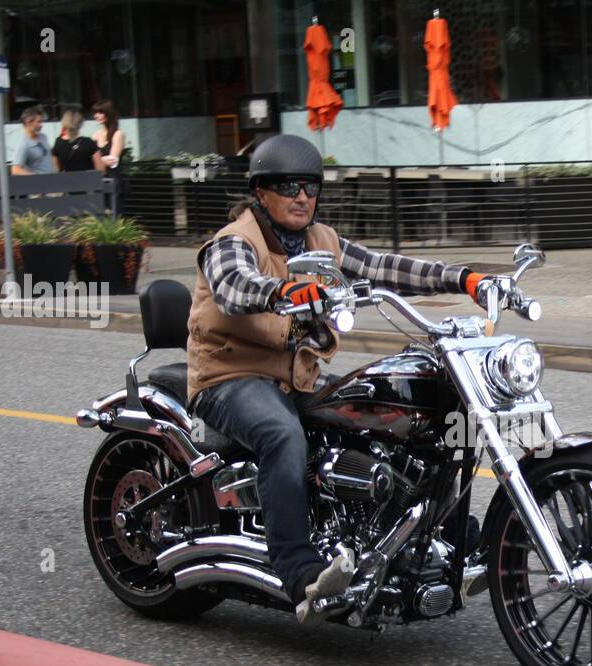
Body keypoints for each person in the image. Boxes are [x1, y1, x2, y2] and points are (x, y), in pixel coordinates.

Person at [186, 134, 492, 624]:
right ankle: (299, 570)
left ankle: (438, 534)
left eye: (309, 186)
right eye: (288, 186)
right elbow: (235, 286)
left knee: (396, 416)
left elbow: (381, 266)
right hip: (230, 376)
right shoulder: (232, 242)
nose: (302, 196)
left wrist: (464, 279)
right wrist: (285, 289)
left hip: (295, 378)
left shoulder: (321, 241)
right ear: (260, 192)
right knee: (281, 434)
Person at [91, 100, 127, 213]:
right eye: (95, 113)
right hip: (98, 181)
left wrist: (98, 160)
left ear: (108, 113)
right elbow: (90, 158)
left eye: (100, 112)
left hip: (114, 180)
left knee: (115, 215)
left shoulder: (118, 134)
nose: (96, 116)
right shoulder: (95, 135)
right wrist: (102, 160)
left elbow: (113, 160)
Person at [11, 107, 54, 175]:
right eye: (38, 122)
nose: (41, 125)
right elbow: (15, 170)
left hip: (53, 180)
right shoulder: (24, 144)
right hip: (40, 183)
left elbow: (50, 156)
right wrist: (34, 177)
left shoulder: (43, 137)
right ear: (28, 122)